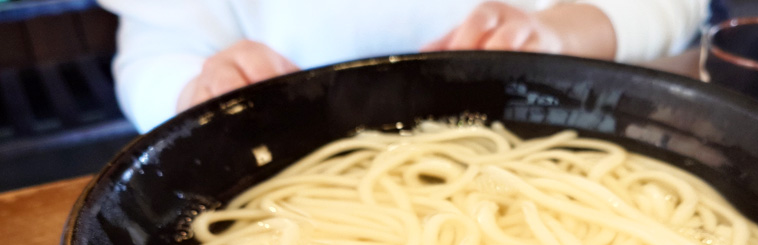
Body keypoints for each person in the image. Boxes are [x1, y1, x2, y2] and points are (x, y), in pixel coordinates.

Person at [98, 0, 715, 133]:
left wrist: (564, 27)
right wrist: (199, 87)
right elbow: (155, 50)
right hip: (304, 162)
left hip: (556, 137)